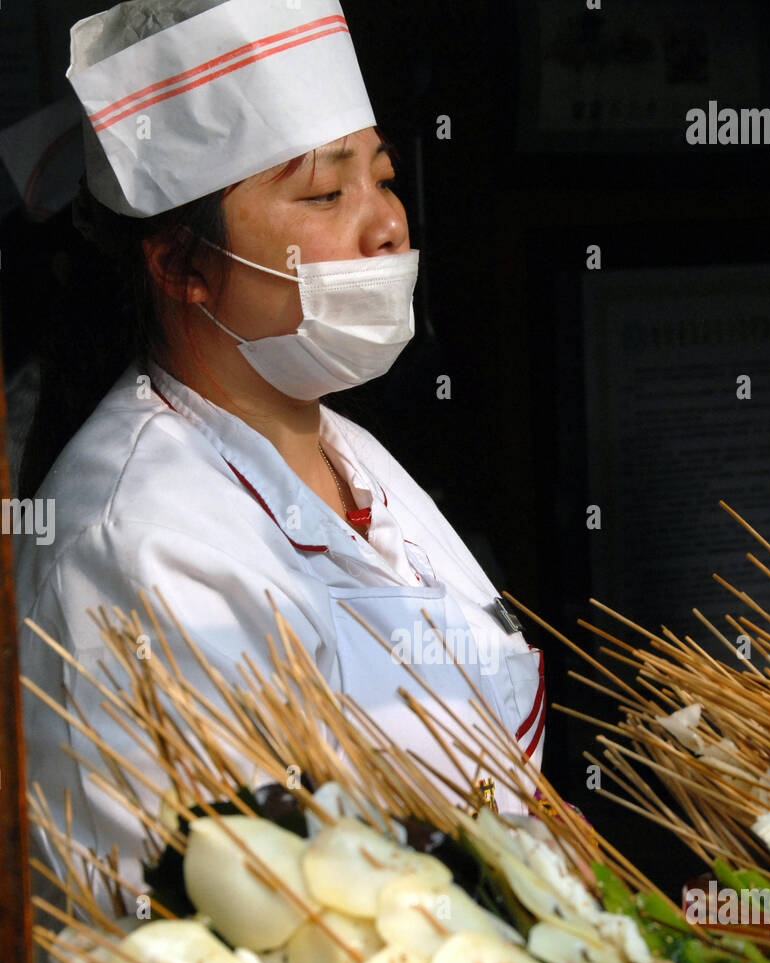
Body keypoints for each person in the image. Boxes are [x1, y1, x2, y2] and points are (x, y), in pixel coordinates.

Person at [15, 0, 545, 915]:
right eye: (326, 195)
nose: (385, 226)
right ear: (182, 265)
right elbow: (204, 944)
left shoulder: (356, 455)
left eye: (383, 179)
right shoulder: (133, 542)